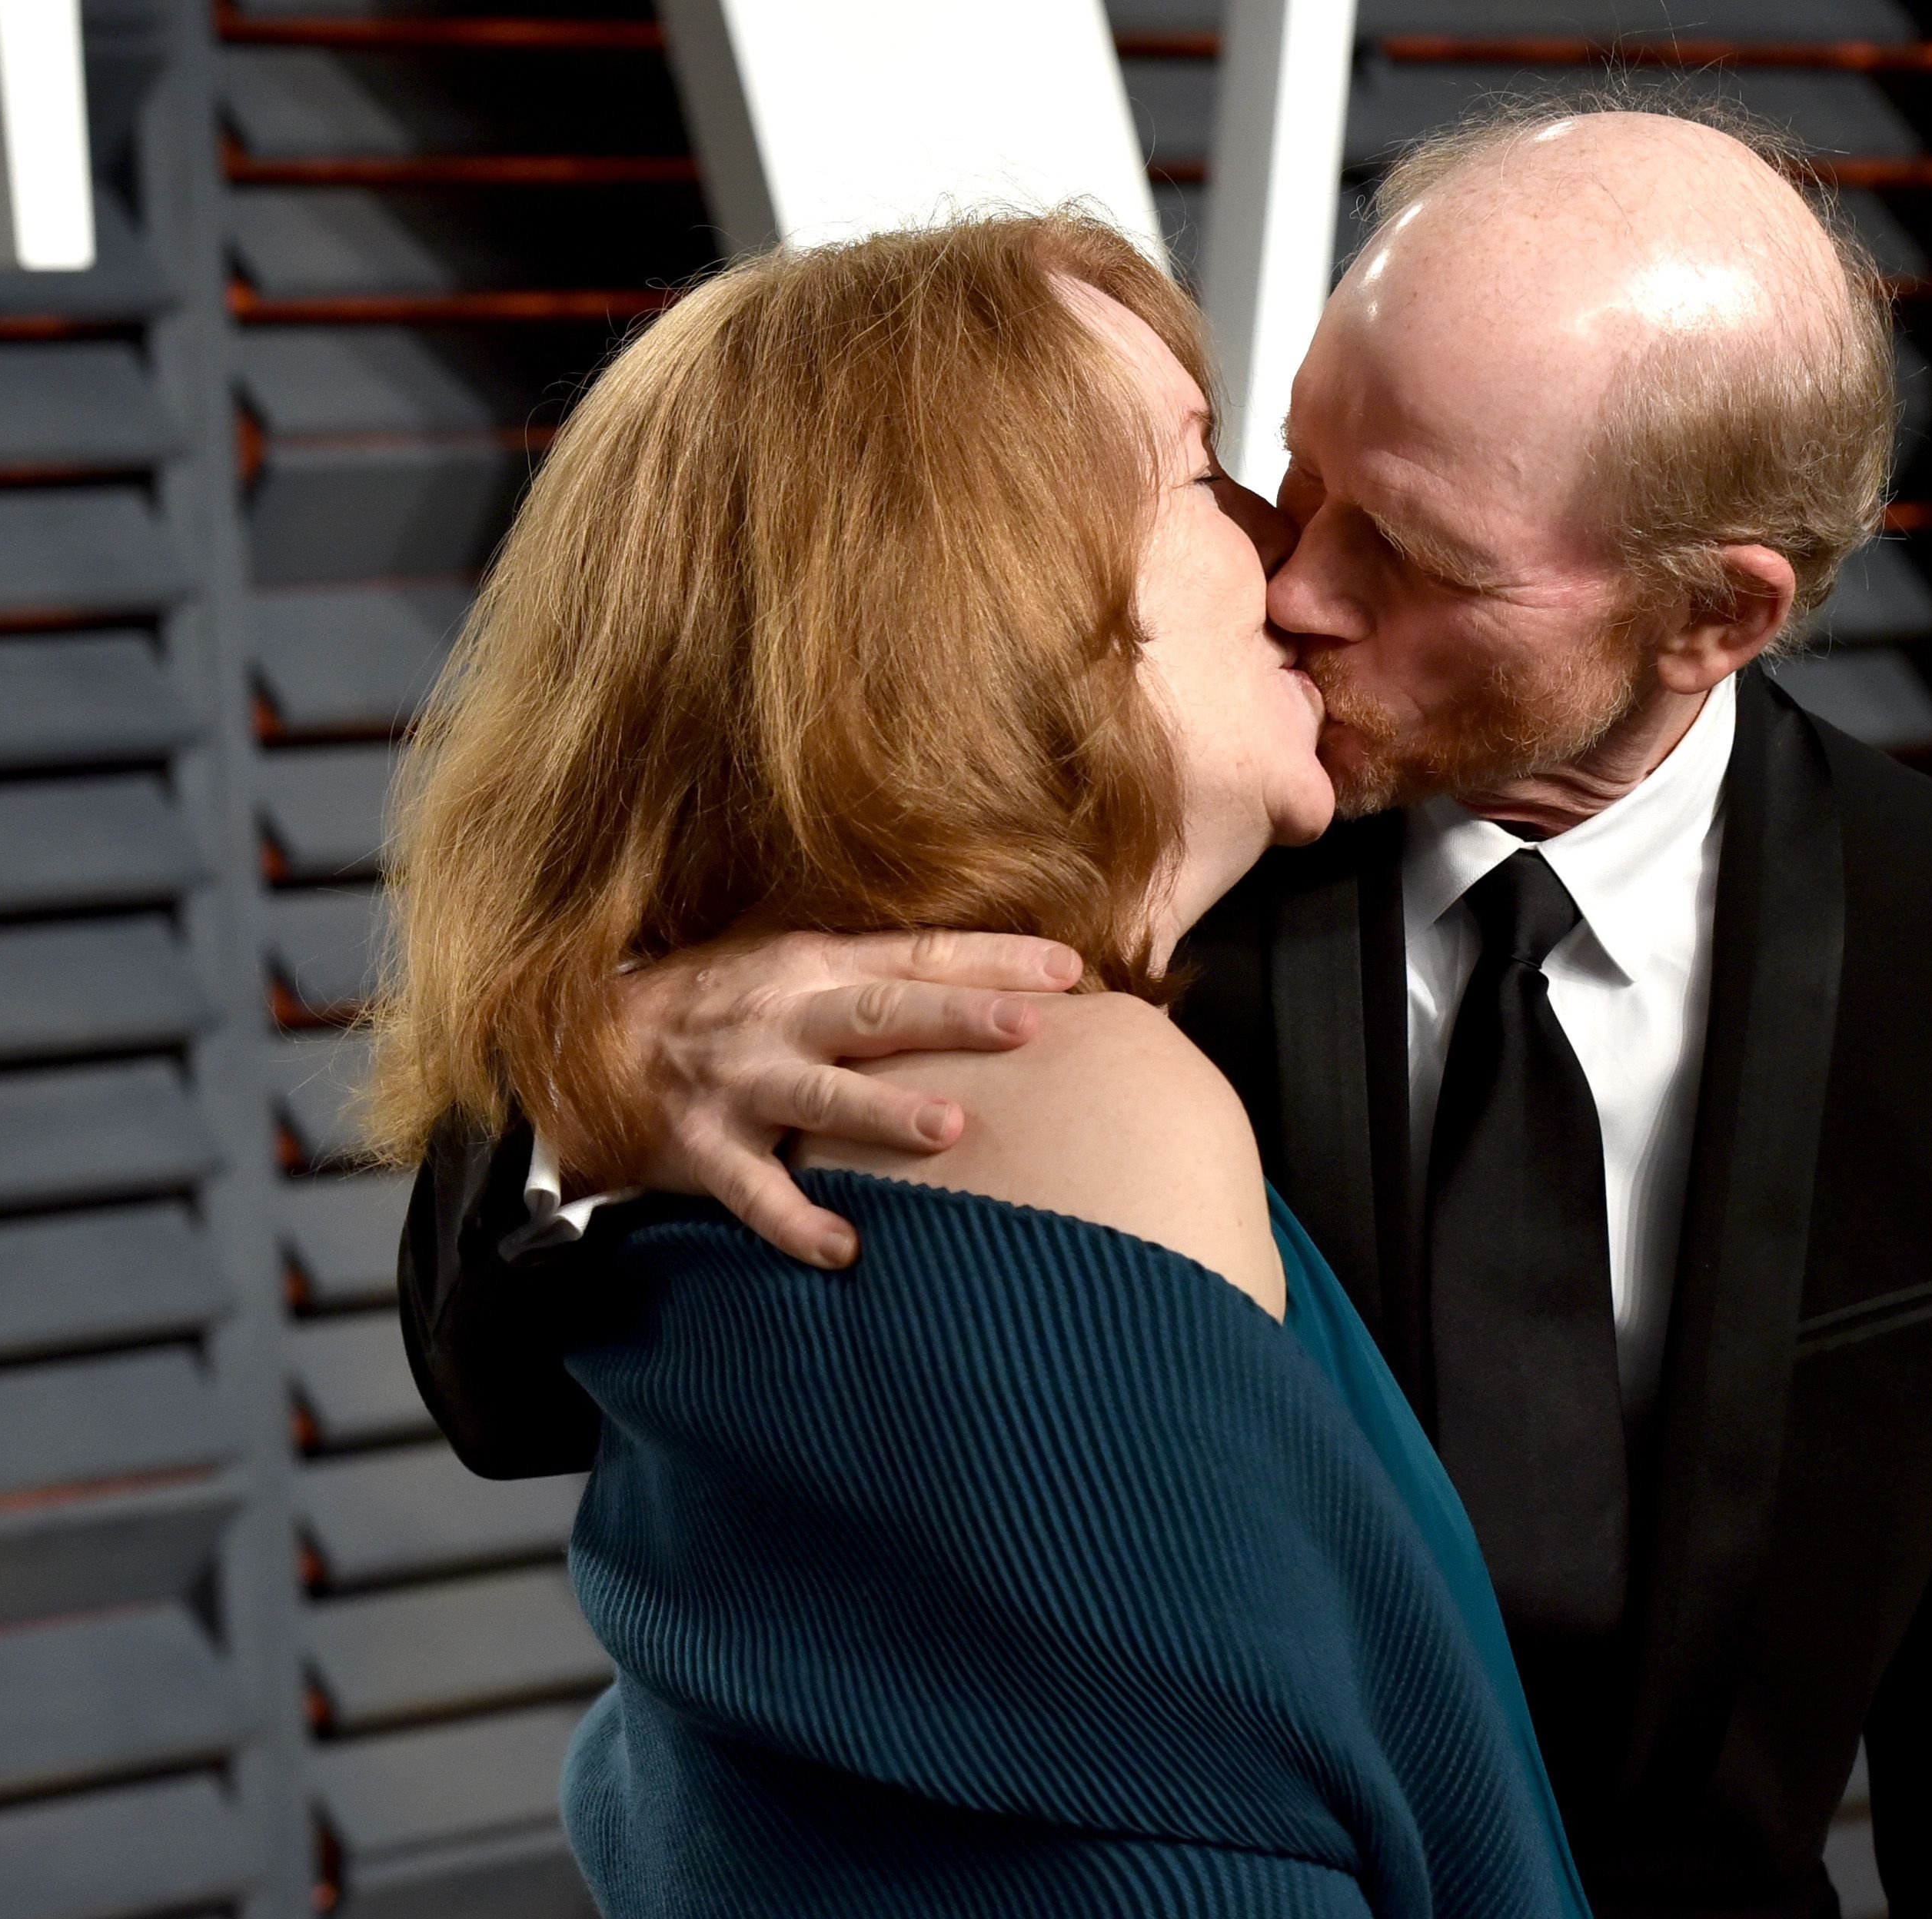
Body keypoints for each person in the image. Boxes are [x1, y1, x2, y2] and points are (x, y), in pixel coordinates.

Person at [400, 106, 1932, 1919]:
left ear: (1709, 616)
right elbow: (512, 1384)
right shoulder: (1141, 821)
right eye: (1292, 471)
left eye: (1413, 551)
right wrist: (588, 1091)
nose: (1299, 579)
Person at [367, 212, 1591, 1917]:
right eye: (1203, 465)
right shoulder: (1016, 1077)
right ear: (982, 583)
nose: (1290, 546)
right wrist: (576, 1103)